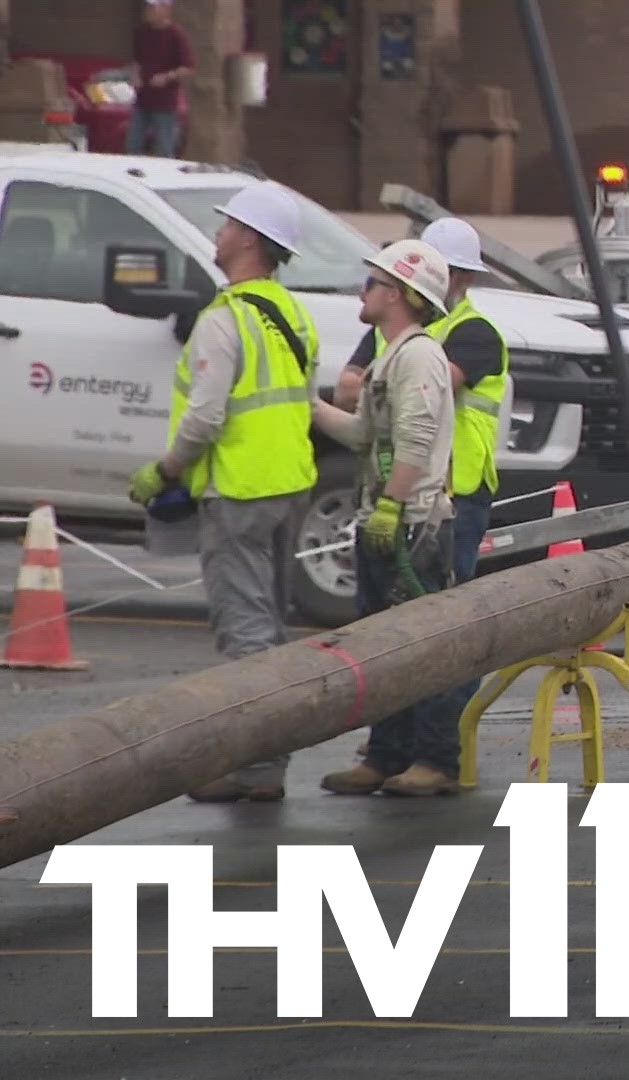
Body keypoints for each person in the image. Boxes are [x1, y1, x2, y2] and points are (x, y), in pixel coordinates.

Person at [128, 181, 316, 801]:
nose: (219, 232)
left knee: (247, 633)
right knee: (271, 627)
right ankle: (267, 765)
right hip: (289, 487)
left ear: (252, 241)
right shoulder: (292, 312)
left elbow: (205, 418)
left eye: (229, 224)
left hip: (238, 491)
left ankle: (255, 768)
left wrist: (167, 470)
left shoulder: (224, 319)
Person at [310, 239, 464, 797]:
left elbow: (419, 439)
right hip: (388, 518)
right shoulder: (391, 354)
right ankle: (385, 754)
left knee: (423, 644)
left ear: (397, 293)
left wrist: (396, 506)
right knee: (382, 646)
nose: (364, 289)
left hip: (414, 526)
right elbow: (362, 435)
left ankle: (435, 759)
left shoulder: (418, 355)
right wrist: (309, 403)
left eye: (373, 282)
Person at [336, 217, 507, 583]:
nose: (435, 276)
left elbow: (430, 388)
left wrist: (379, 379)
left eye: (446, 269)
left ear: (465, 277)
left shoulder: (475, 332)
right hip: (392, 483)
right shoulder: (389, 332)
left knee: (442, 598)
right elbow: (344, 391)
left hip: (454, 492)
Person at [128, 0, 193, 158]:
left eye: (153, 7)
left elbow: (188, 67)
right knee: (133, 143)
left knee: (165, 145)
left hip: (165, 101)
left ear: (166, 9)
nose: (149, 11)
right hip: (143, 98)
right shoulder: (141, 32)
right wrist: (135, 76)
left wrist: (166, 77)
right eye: (148, 7)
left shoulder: (176, 34)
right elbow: (137, 59)